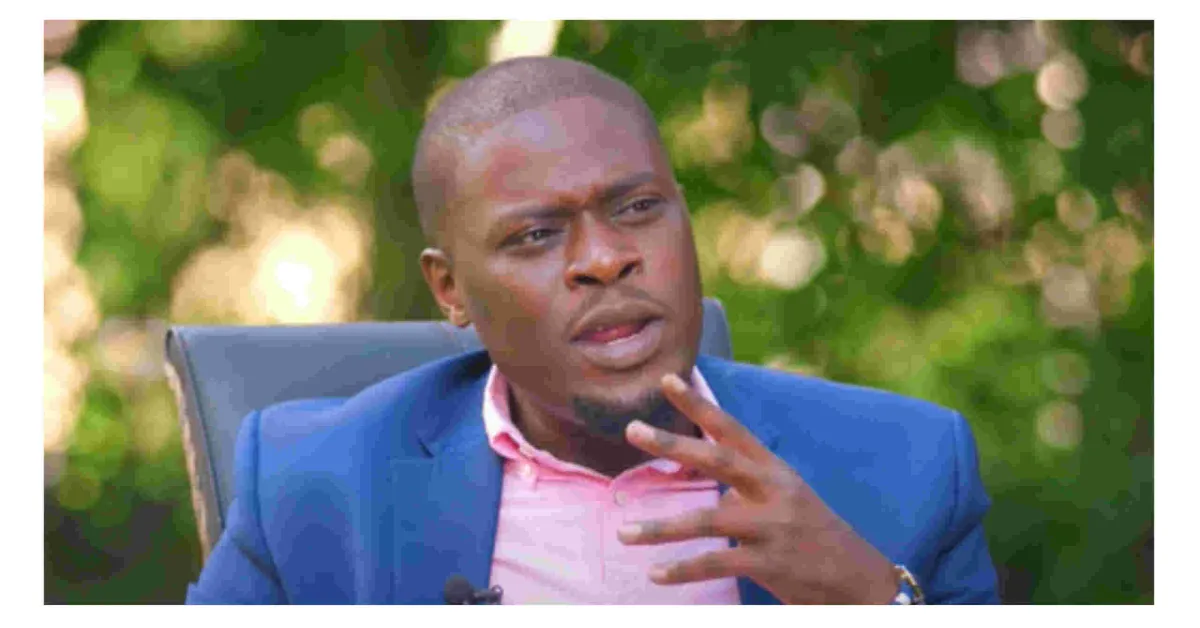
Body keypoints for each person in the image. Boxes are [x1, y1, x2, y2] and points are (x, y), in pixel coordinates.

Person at [185, 56, 999, 605]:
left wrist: (872, 601)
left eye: (638, 208)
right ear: (450, 288)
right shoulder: (315, 485)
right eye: (536, 235)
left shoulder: (911, 467)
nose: (605, 259)